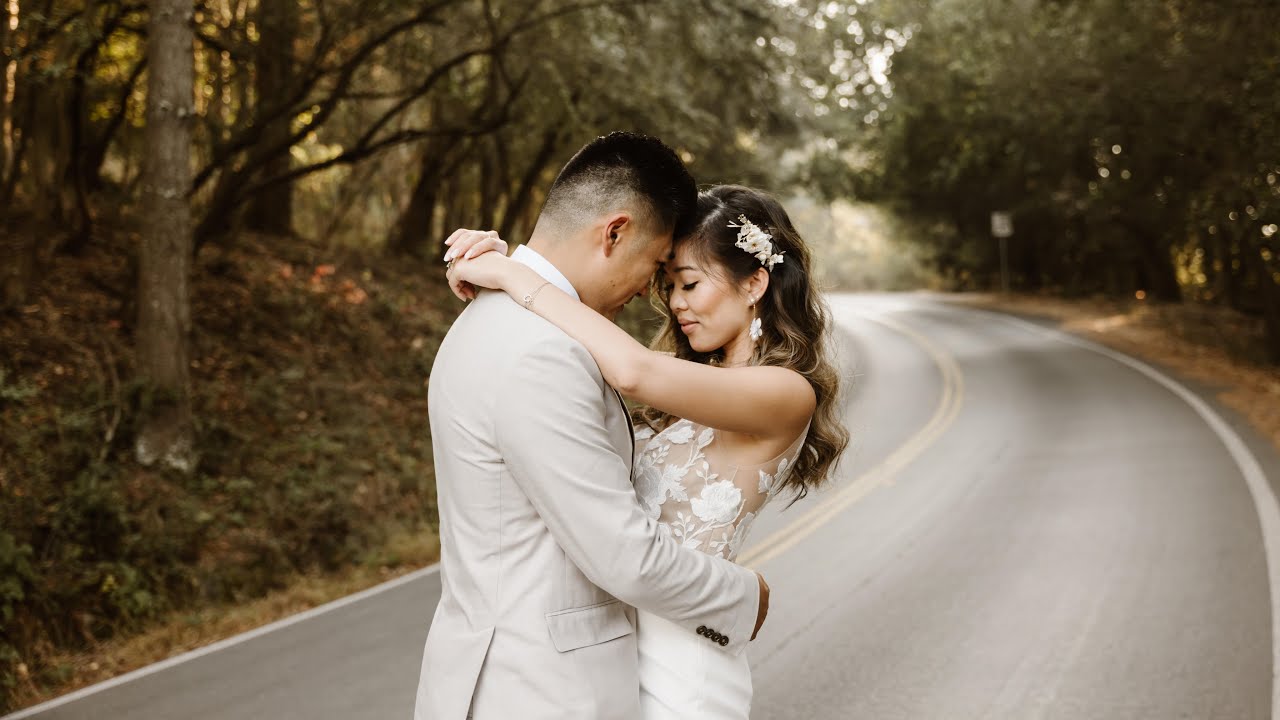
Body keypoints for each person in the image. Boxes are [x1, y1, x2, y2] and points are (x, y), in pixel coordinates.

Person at [443, 183, 849, 719]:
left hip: (684, 665)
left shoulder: (785, 392)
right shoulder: (694, 385)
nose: (675, 303)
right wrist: (513, 265)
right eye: (667, 284)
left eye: (689, 283)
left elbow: (632, 369)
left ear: (754, 282)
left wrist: (516, 274)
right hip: (616, 652)